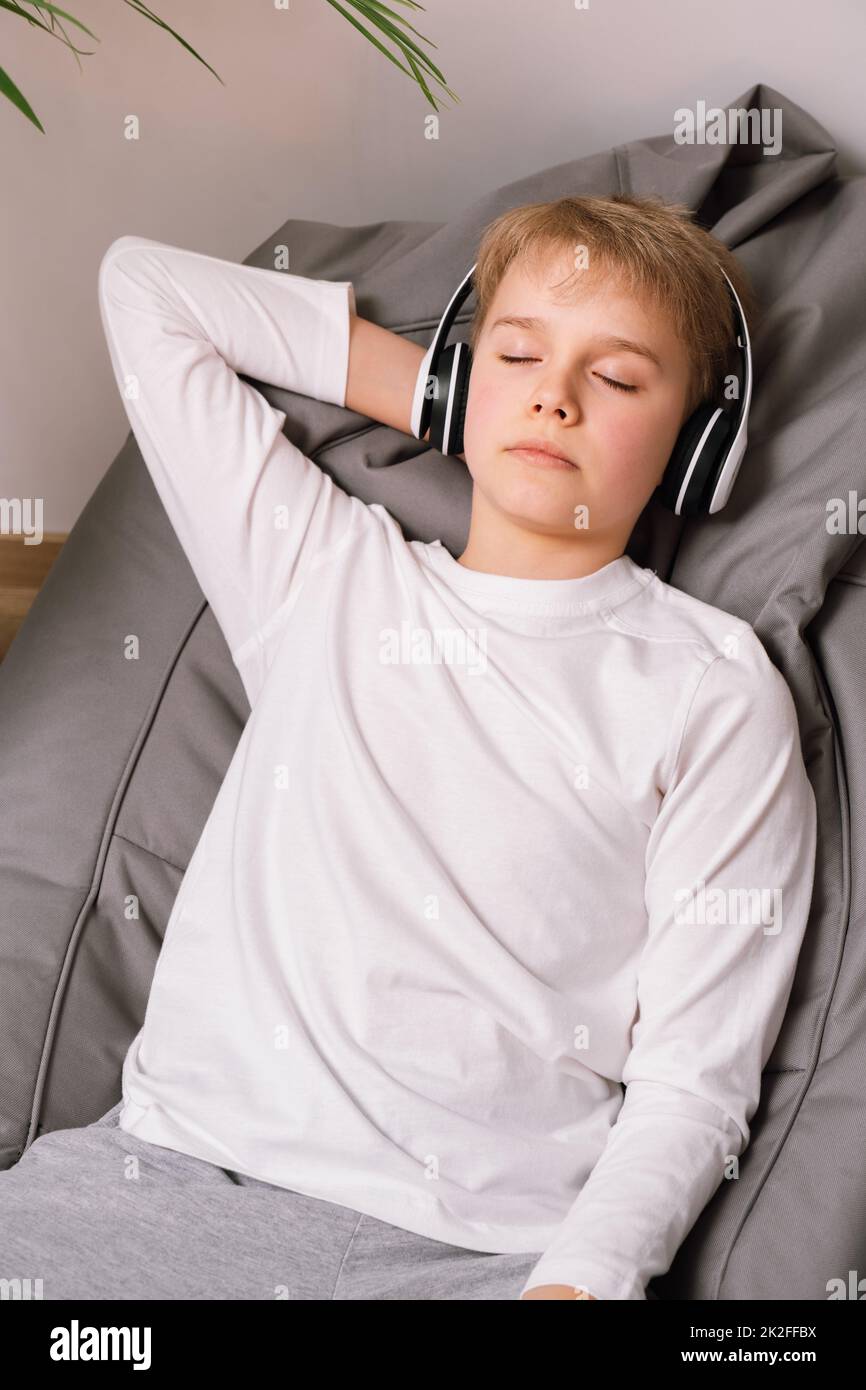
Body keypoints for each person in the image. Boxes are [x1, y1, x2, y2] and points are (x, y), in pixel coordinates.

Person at [1, 195, 816, 1301]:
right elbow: (145, 287)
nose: (553, 395)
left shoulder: (713, 690)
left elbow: (695, 1080)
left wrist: (574, 1285)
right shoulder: (320, 574)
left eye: (616, 379)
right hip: (151, 1193)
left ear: (698, 446)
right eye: (519, 351)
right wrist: (450, 395)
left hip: (478, 1259)